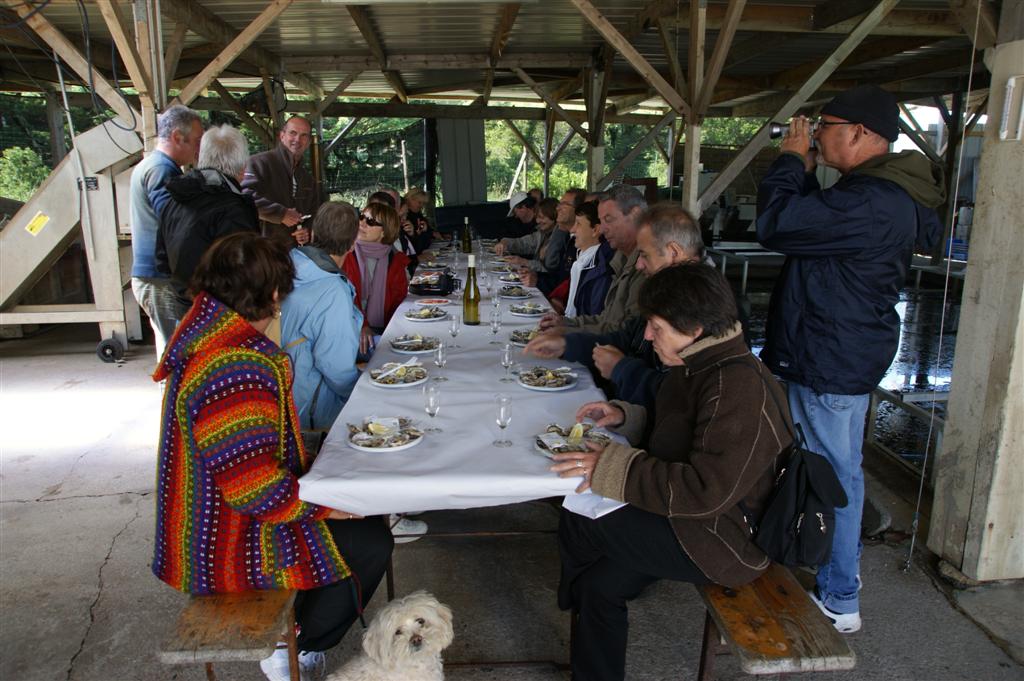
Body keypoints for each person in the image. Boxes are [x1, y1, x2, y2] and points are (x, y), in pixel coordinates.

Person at [151, 232, 393, 681]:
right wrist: (326, 507)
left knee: (361, 524)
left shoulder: (205, 334)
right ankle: (297, 645)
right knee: (370, 542)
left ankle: (301, 633)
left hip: (210, 519)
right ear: (275, 294)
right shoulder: (234, 365)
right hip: (225, 539)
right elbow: (254, 490)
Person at [756, 84, 944, 633]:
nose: (816, 135)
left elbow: (778, 224)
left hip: (830, 356)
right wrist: (808, 169)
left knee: (835, 475)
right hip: (833, 350)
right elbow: (812, 227)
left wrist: (791, 159)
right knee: (830, 469)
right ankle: (826, 567)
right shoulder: (873, 193)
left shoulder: (871, 200)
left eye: (824, 127)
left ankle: (840, 597)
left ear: (861, 132)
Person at [551, 264, 793, 681]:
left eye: (656, 326)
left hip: (724, 540)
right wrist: (625, 416)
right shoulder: (703, 362)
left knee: (579, 519)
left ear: (694, 327)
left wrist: (610, 465)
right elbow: (678, 428)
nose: (646, 336)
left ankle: (569, 599)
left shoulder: (737, 387)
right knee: (600, 585)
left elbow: (704, 491)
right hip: (695, 519)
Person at [526, 203, 704, 407]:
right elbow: (625, 338)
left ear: (674, 253)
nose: (638, 265)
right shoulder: (669, 291)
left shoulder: (702, 306)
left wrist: (621, 369)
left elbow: (679, 398)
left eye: (644, 255)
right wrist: (567, 344)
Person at [280, 202, 363, 432]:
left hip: (280, 399)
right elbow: (335, 366)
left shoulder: (289, 265)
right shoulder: (331, 290)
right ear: (353, 243)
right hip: (313, 413)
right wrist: (362, 391)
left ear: (314, 233)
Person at [129, 104, 203, 360]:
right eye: (196, 140)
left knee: (169, 348)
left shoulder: (151, 164)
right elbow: (176, 222)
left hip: (152, 276)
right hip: (159, 277)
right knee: (179, 353)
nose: (198, 147)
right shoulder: (162, 170)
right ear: (176, 137)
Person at [157, 124, 258, 310]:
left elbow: (161, 259)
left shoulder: (175, 198)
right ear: (243, 166)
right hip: (219, 311)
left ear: (201, 156)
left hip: (182, 303)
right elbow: (244, 271)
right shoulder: (233, 207)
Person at [538, 184, 647, 335]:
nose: (602, 229)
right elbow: (606, 319)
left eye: (608, 219)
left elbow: (622, 333)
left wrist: (569, 337)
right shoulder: (619, 259)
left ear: (635, 215)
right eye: (601, 221)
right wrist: (566, 323)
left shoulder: (643, 267)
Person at [342, 202, 411, 355]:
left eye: (371, 221)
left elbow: (398, 302)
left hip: (383, 329)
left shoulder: (395, 260)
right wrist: (362, 326)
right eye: (362, 217)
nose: (362, 223)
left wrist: (394, 333)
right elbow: (342, 300)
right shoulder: (345, 253)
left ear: (384, 233)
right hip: (349, 330)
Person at [242, 115, 321, 246]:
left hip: (294, 255)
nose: (297, 139)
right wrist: (280, 213)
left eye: (303, 135)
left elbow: (314, 213)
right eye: (293, 133)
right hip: (262, 251)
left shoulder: (307, 179)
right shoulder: (259, 163)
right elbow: (243, 197)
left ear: (308, 141)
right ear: (282, 135)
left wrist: (306, 231)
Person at [563, 200, 612, 318]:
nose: (572, 230)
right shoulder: (582, 261)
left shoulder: (601, 267)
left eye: (578, 224)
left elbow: (593, 315)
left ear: (595, 230)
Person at [494, 198, 558, 272]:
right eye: (537, 217)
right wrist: (504, 243)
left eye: (541, 217)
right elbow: (522, 243)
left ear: (553, 216)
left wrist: (524, 262)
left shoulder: (559, 240)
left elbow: (551, 272)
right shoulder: (541, 234)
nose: (537, 221)